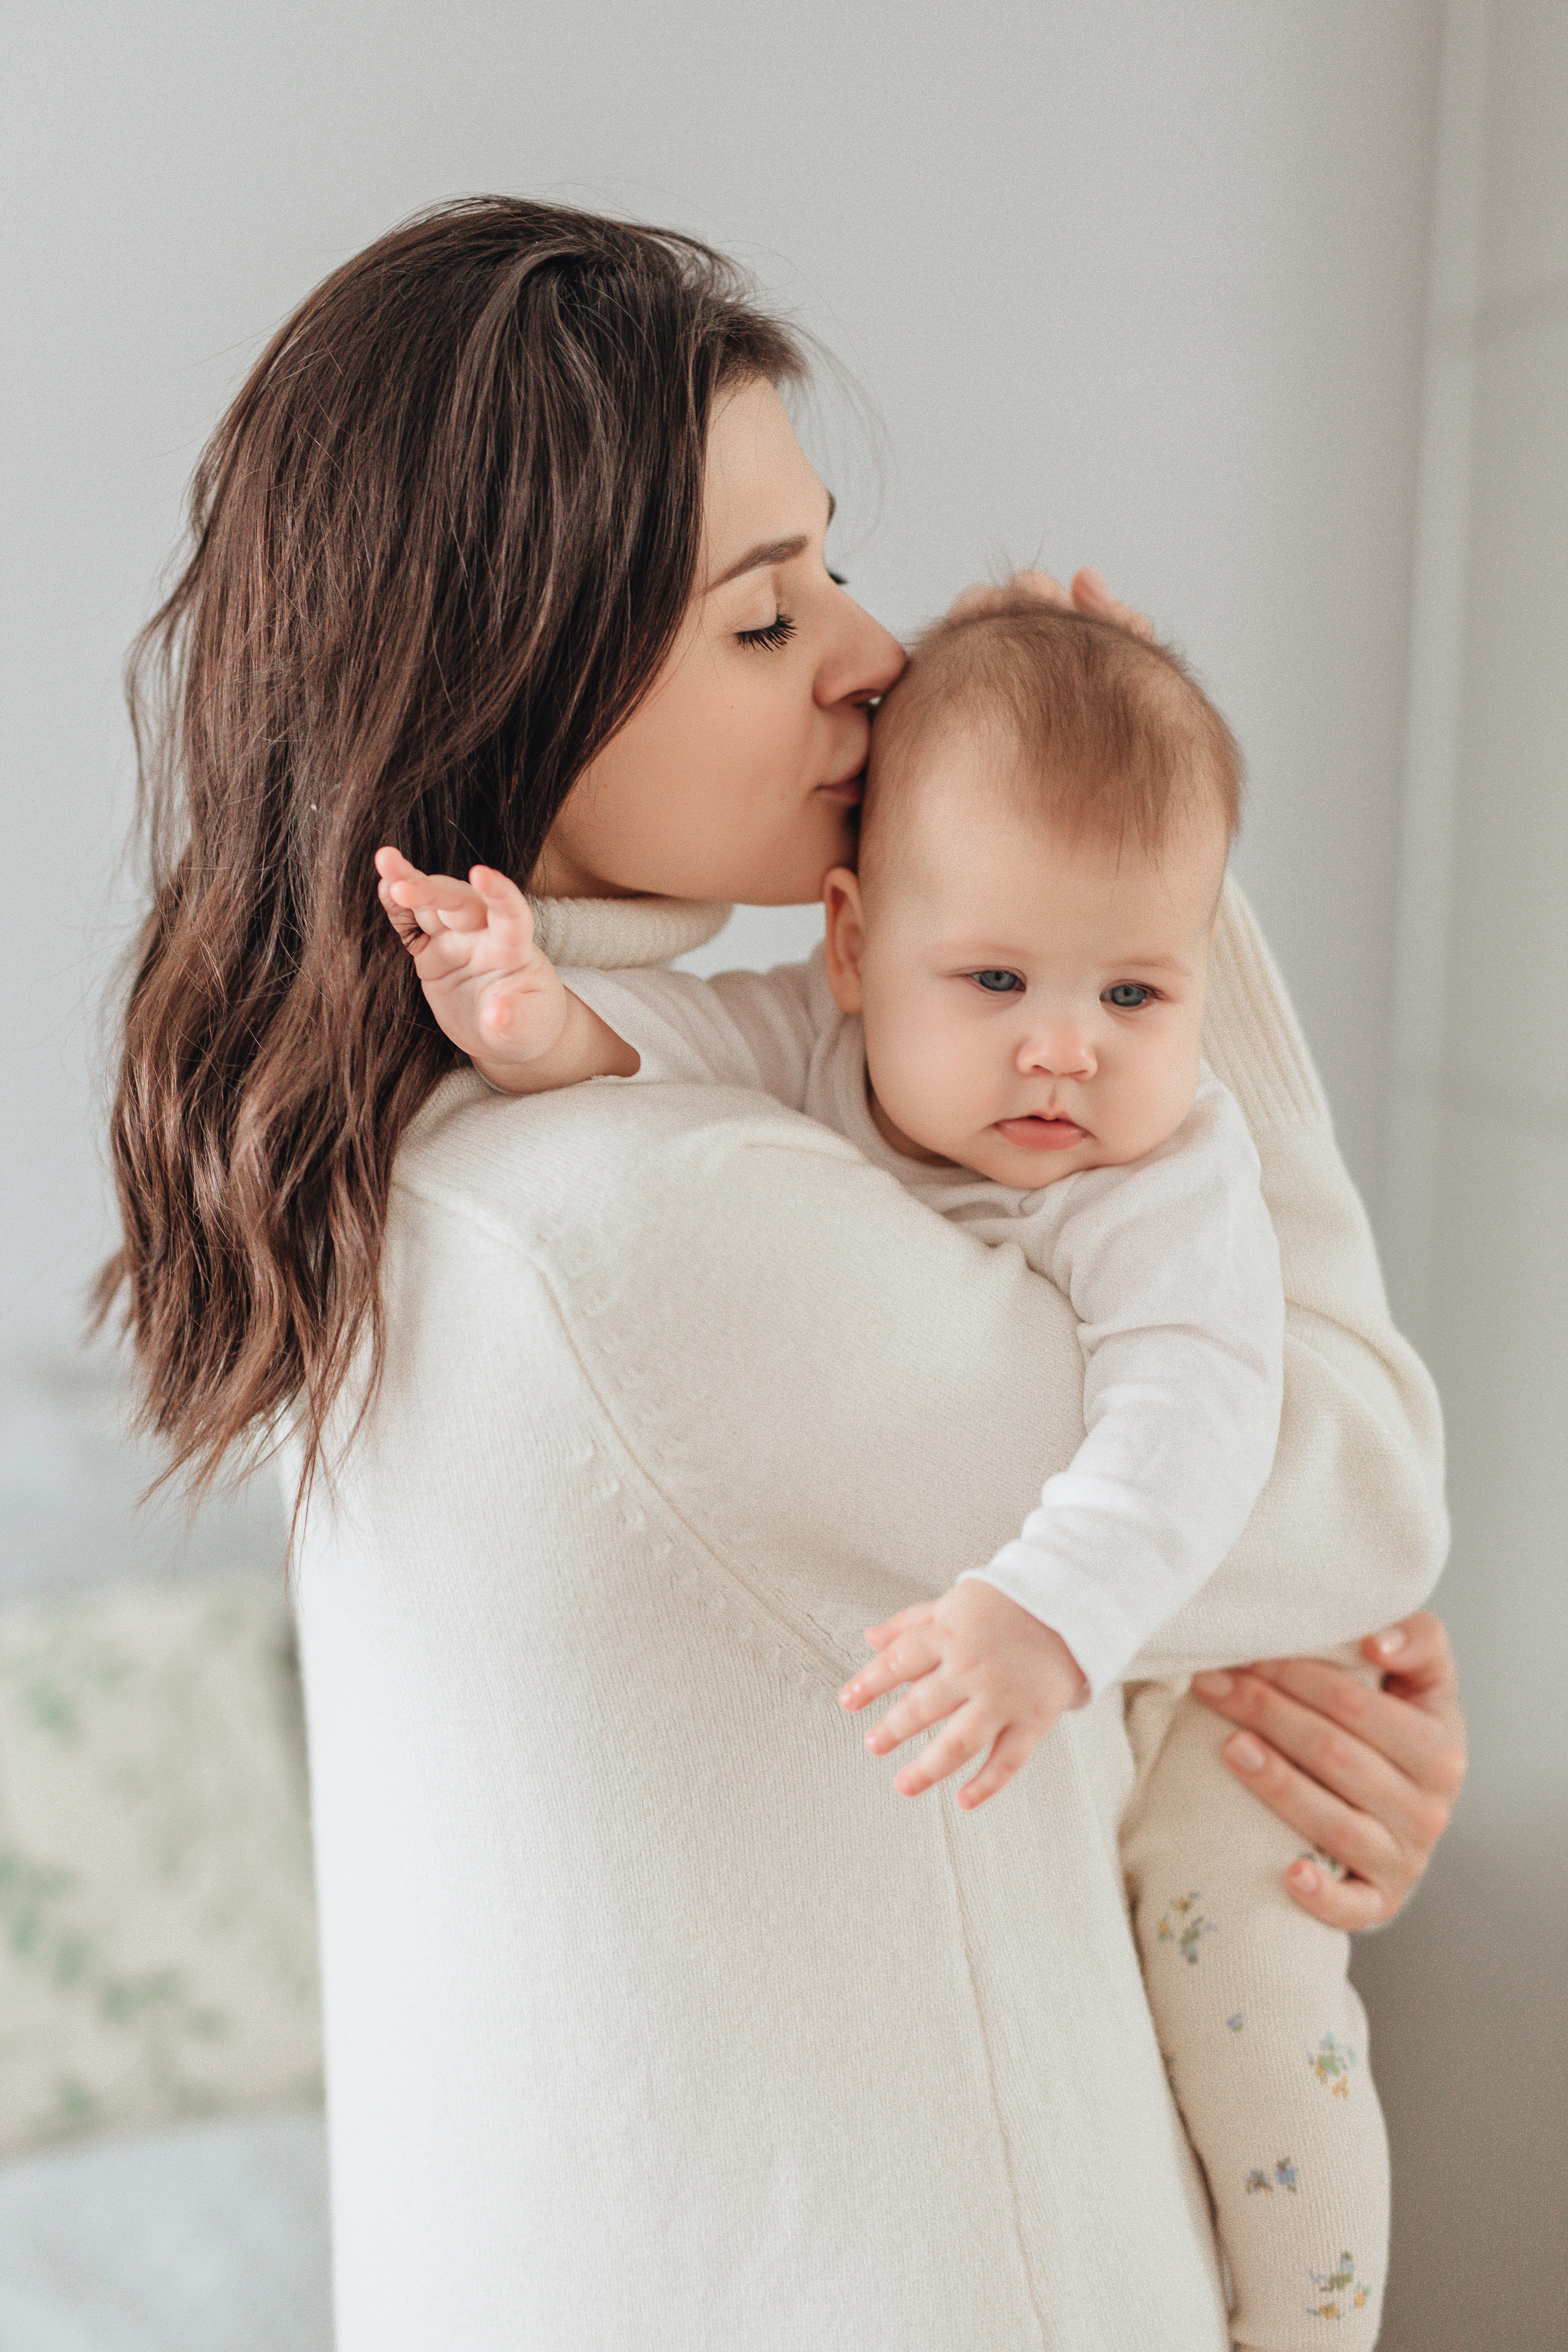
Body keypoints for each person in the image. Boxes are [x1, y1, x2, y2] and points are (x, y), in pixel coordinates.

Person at [99, 198, 1466, 2350]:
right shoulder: (650, 1234)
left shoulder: (459, 1165)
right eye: (763, 618)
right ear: (513, 680)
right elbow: (1353, 1486)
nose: (874, 652)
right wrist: (1178, 928)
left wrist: (1258, 1726)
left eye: (830, 559)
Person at [377, 597, 1390, 2342]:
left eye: (1138, 988)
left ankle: (1316, 2320)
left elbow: (1202, 1412)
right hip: (1077, 1659)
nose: (1064, 1047)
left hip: (1181, 1676)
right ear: (851, 948)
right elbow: (666, 1050)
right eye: (997, 981)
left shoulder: (1161, 1169)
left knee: (1256, 2008)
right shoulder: (801, 1073)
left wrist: (1049, 1614)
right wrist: (534, 1014)